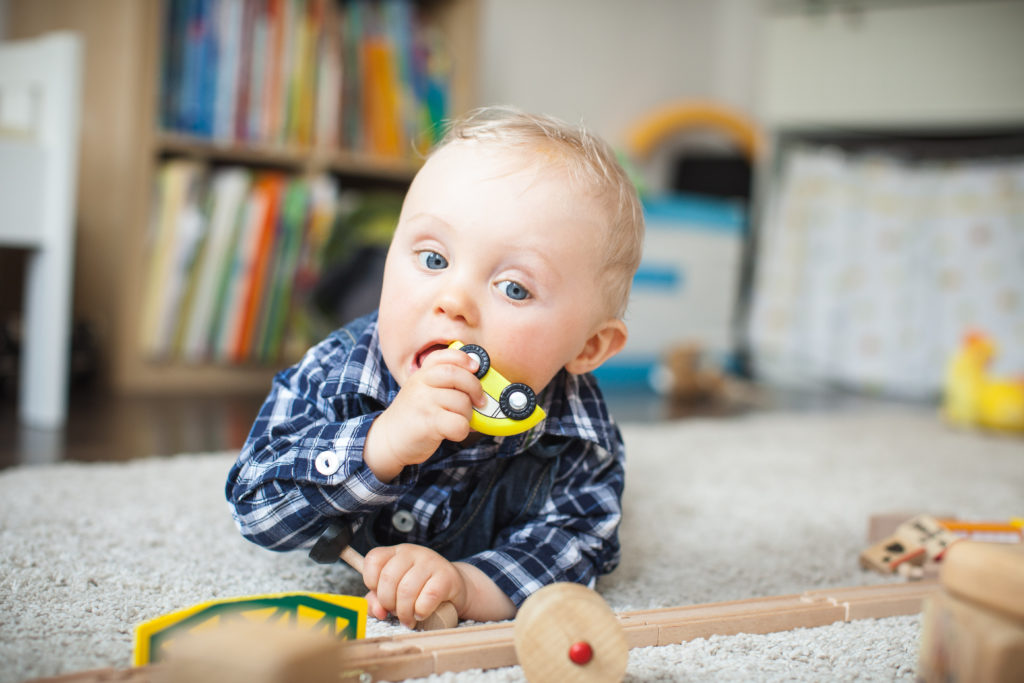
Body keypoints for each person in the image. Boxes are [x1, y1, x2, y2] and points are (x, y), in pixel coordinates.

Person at [226, 106, 645, 628]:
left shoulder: (577, 432)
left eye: (514, 288)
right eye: (432, 259)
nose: (453, 300)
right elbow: (254, 505)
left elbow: (575, 544)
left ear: (588, 347)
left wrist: (468, 586)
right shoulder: (338, 371)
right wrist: (378, 444)